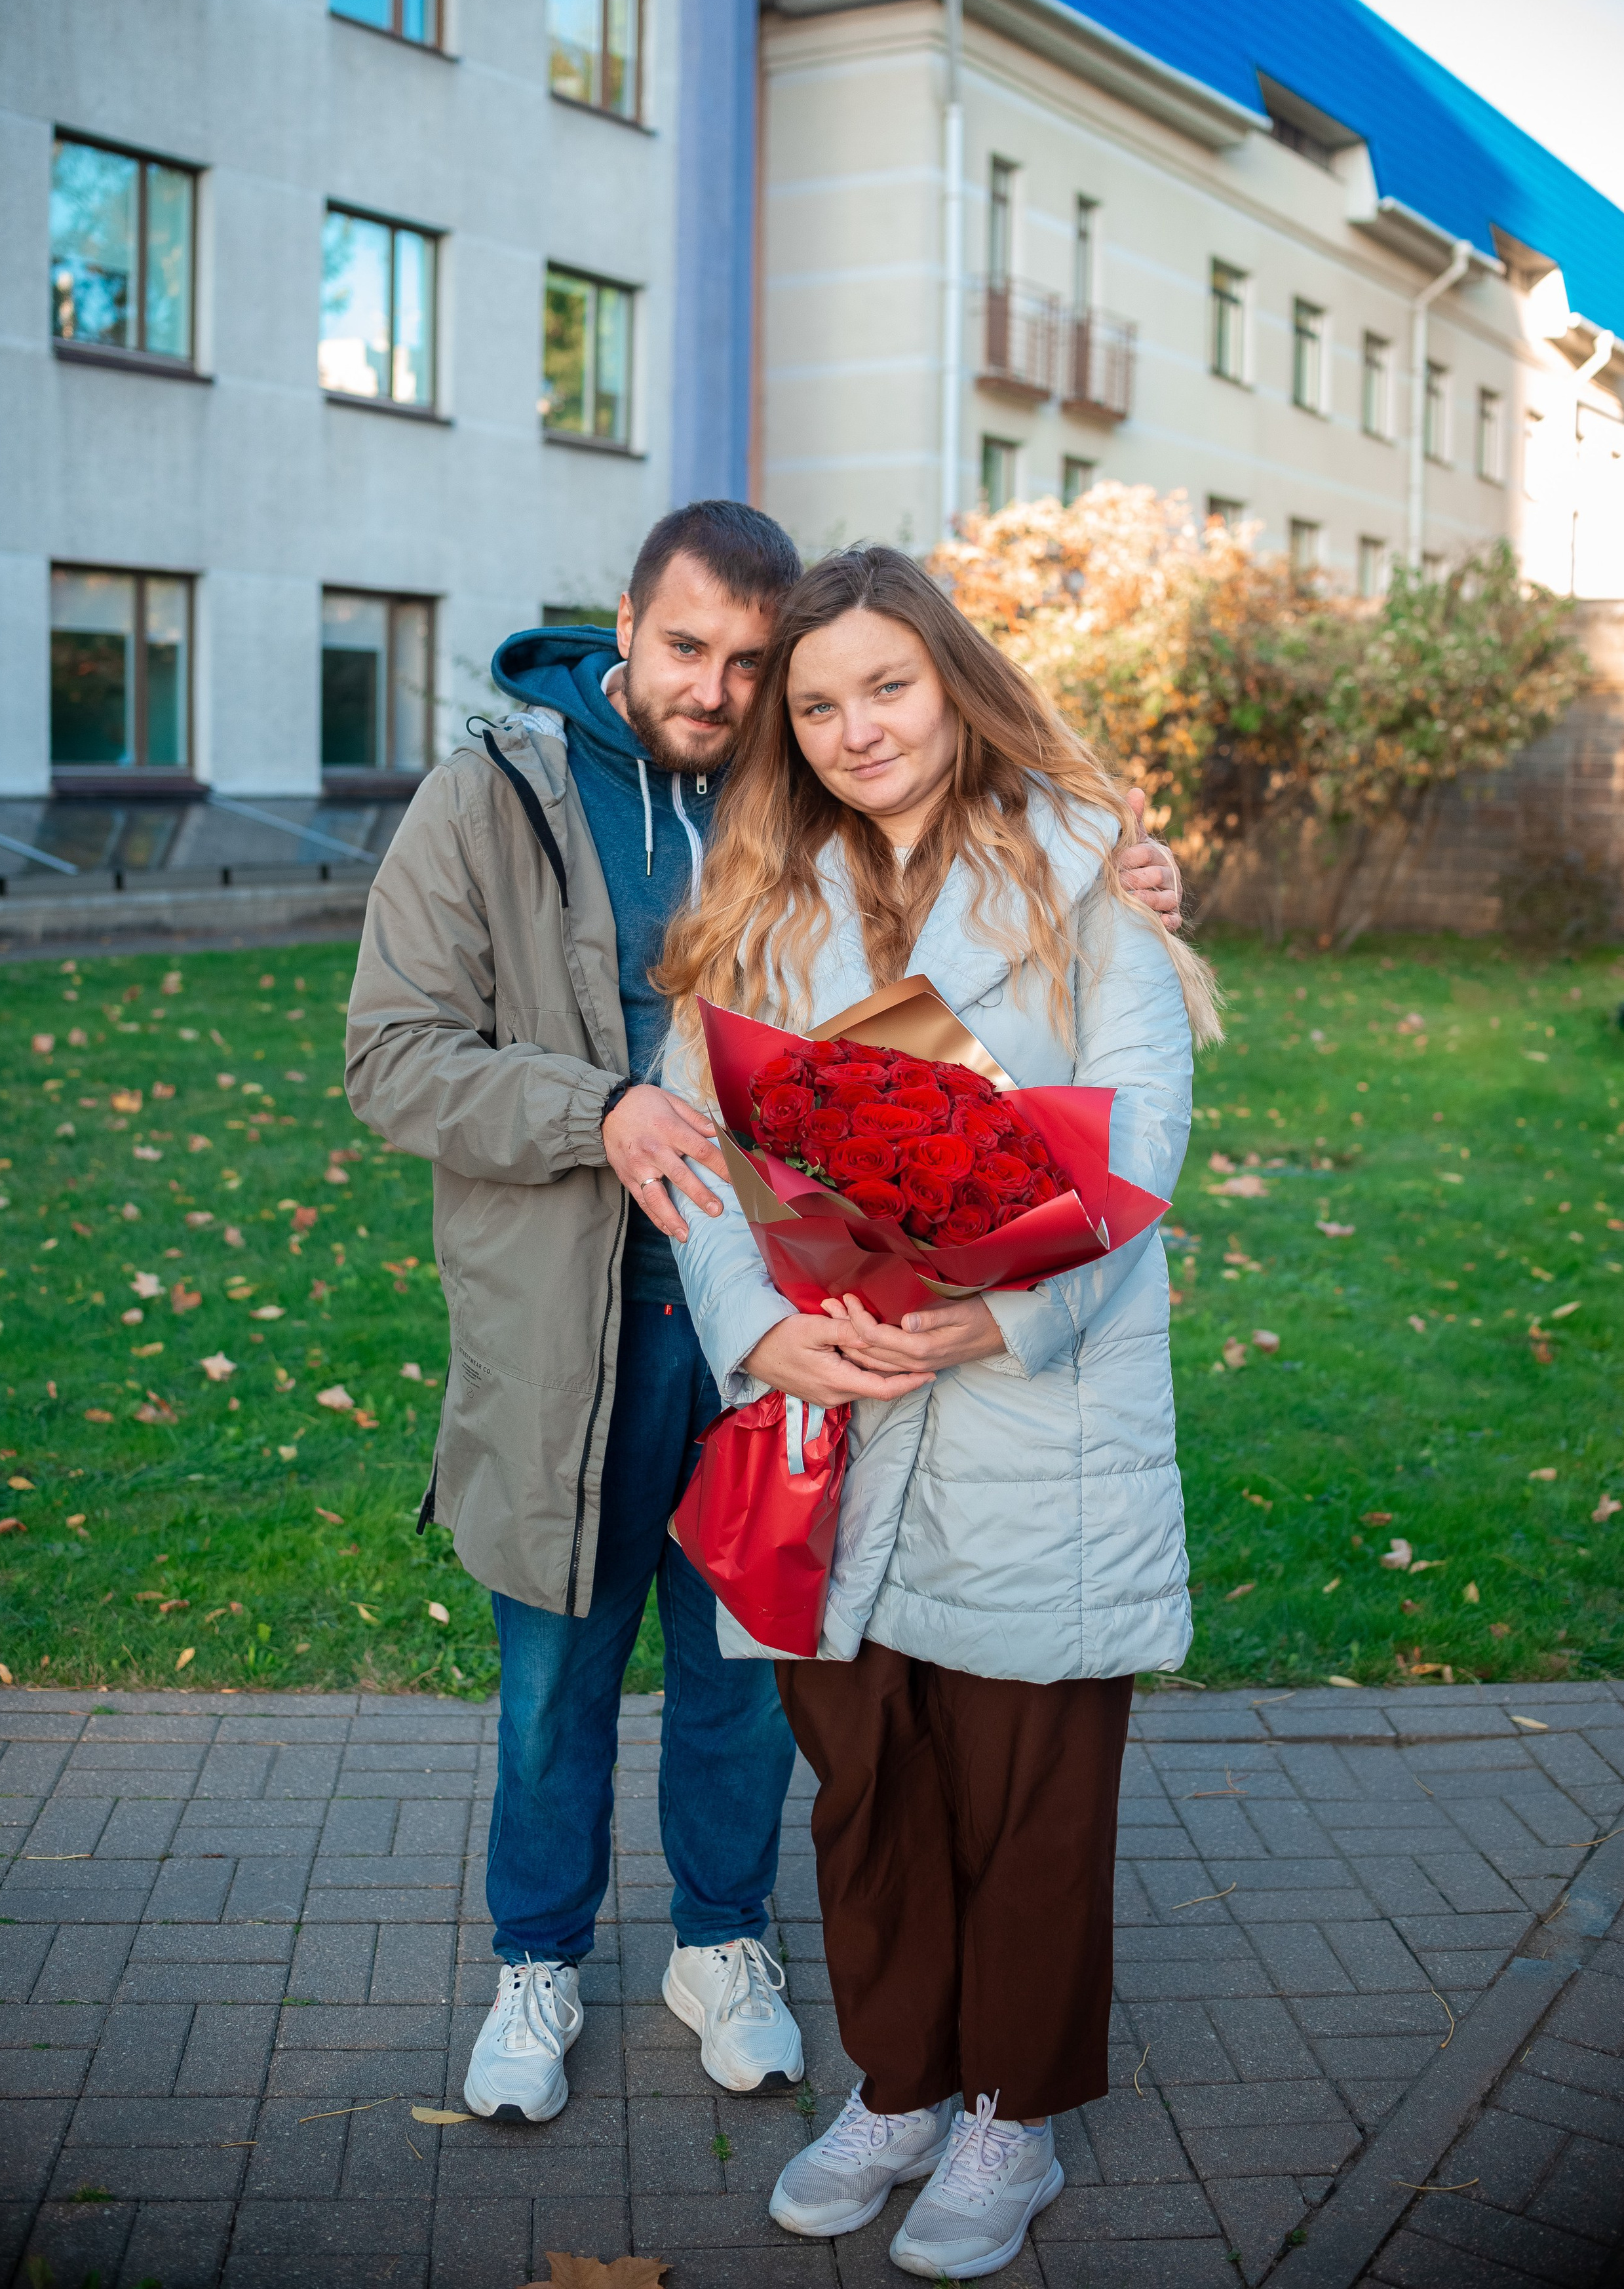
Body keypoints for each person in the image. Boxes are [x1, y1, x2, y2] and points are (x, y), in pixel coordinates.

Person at [344, 501, 1184, 2130]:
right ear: (622, 624)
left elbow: (1011, 939)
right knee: (555, 1672)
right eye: (687, 649)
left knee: (749, 1673)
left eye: (755, 663)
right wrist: (598, 1109)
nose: (722, 689)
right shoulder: (492, 798)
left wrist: (1125, 869)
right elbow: (391, 1056)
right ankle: (534, 1962)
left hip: (796, 1328)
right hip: (577, 1329)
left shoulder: (804, 782)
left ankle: (720, 1945)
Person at [655, 545, 1220, 2277]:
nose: (852, 727)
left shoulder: (1088, 881)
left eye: (884, 686)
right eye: (815, 704)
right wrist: (760, 1335)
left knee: (1029, 1792)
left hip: (1032, 1417)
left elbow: (1139, 1139)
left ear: (951, 683)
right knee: (867, 1788)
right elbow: (697, 1167)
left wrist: (990, 1314)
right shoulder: (757, 902)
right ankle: (899, 2081)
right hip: (830, 1418)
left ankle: (1009, 2118)